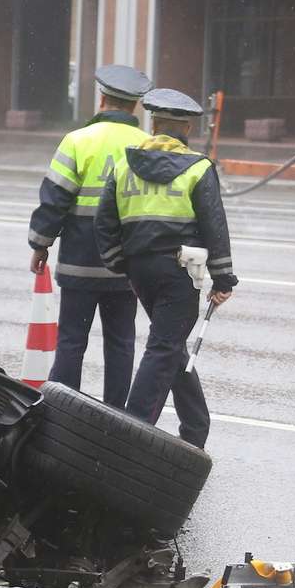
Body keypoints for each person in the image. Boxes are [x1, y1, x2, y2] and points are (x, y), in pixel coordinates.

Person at [95, 88, 237, 449]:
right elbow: (214, 226)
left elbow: (105, 220)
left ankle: (195, 428)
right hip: (179, 272)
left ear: (154, 125)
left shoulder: (124, 164)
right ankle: (131, 436)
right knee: (163, 348)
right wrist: (223, 278)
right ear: (185, 128)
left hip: (140, 271)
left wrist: (118, 262)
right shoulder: (199, 168)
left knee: (171, 345)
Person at [27, 65, 151, 409]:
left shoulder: (78, 141)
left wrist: (40, 244)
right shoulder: (146, 146)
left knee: (71, 342)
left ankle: (63, 412)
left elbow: (54, 199)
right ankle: (117, 416)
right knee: (121, 342)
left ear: (102, 99)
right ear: (135, 106)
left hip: (80, 263)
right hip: (127, 268)